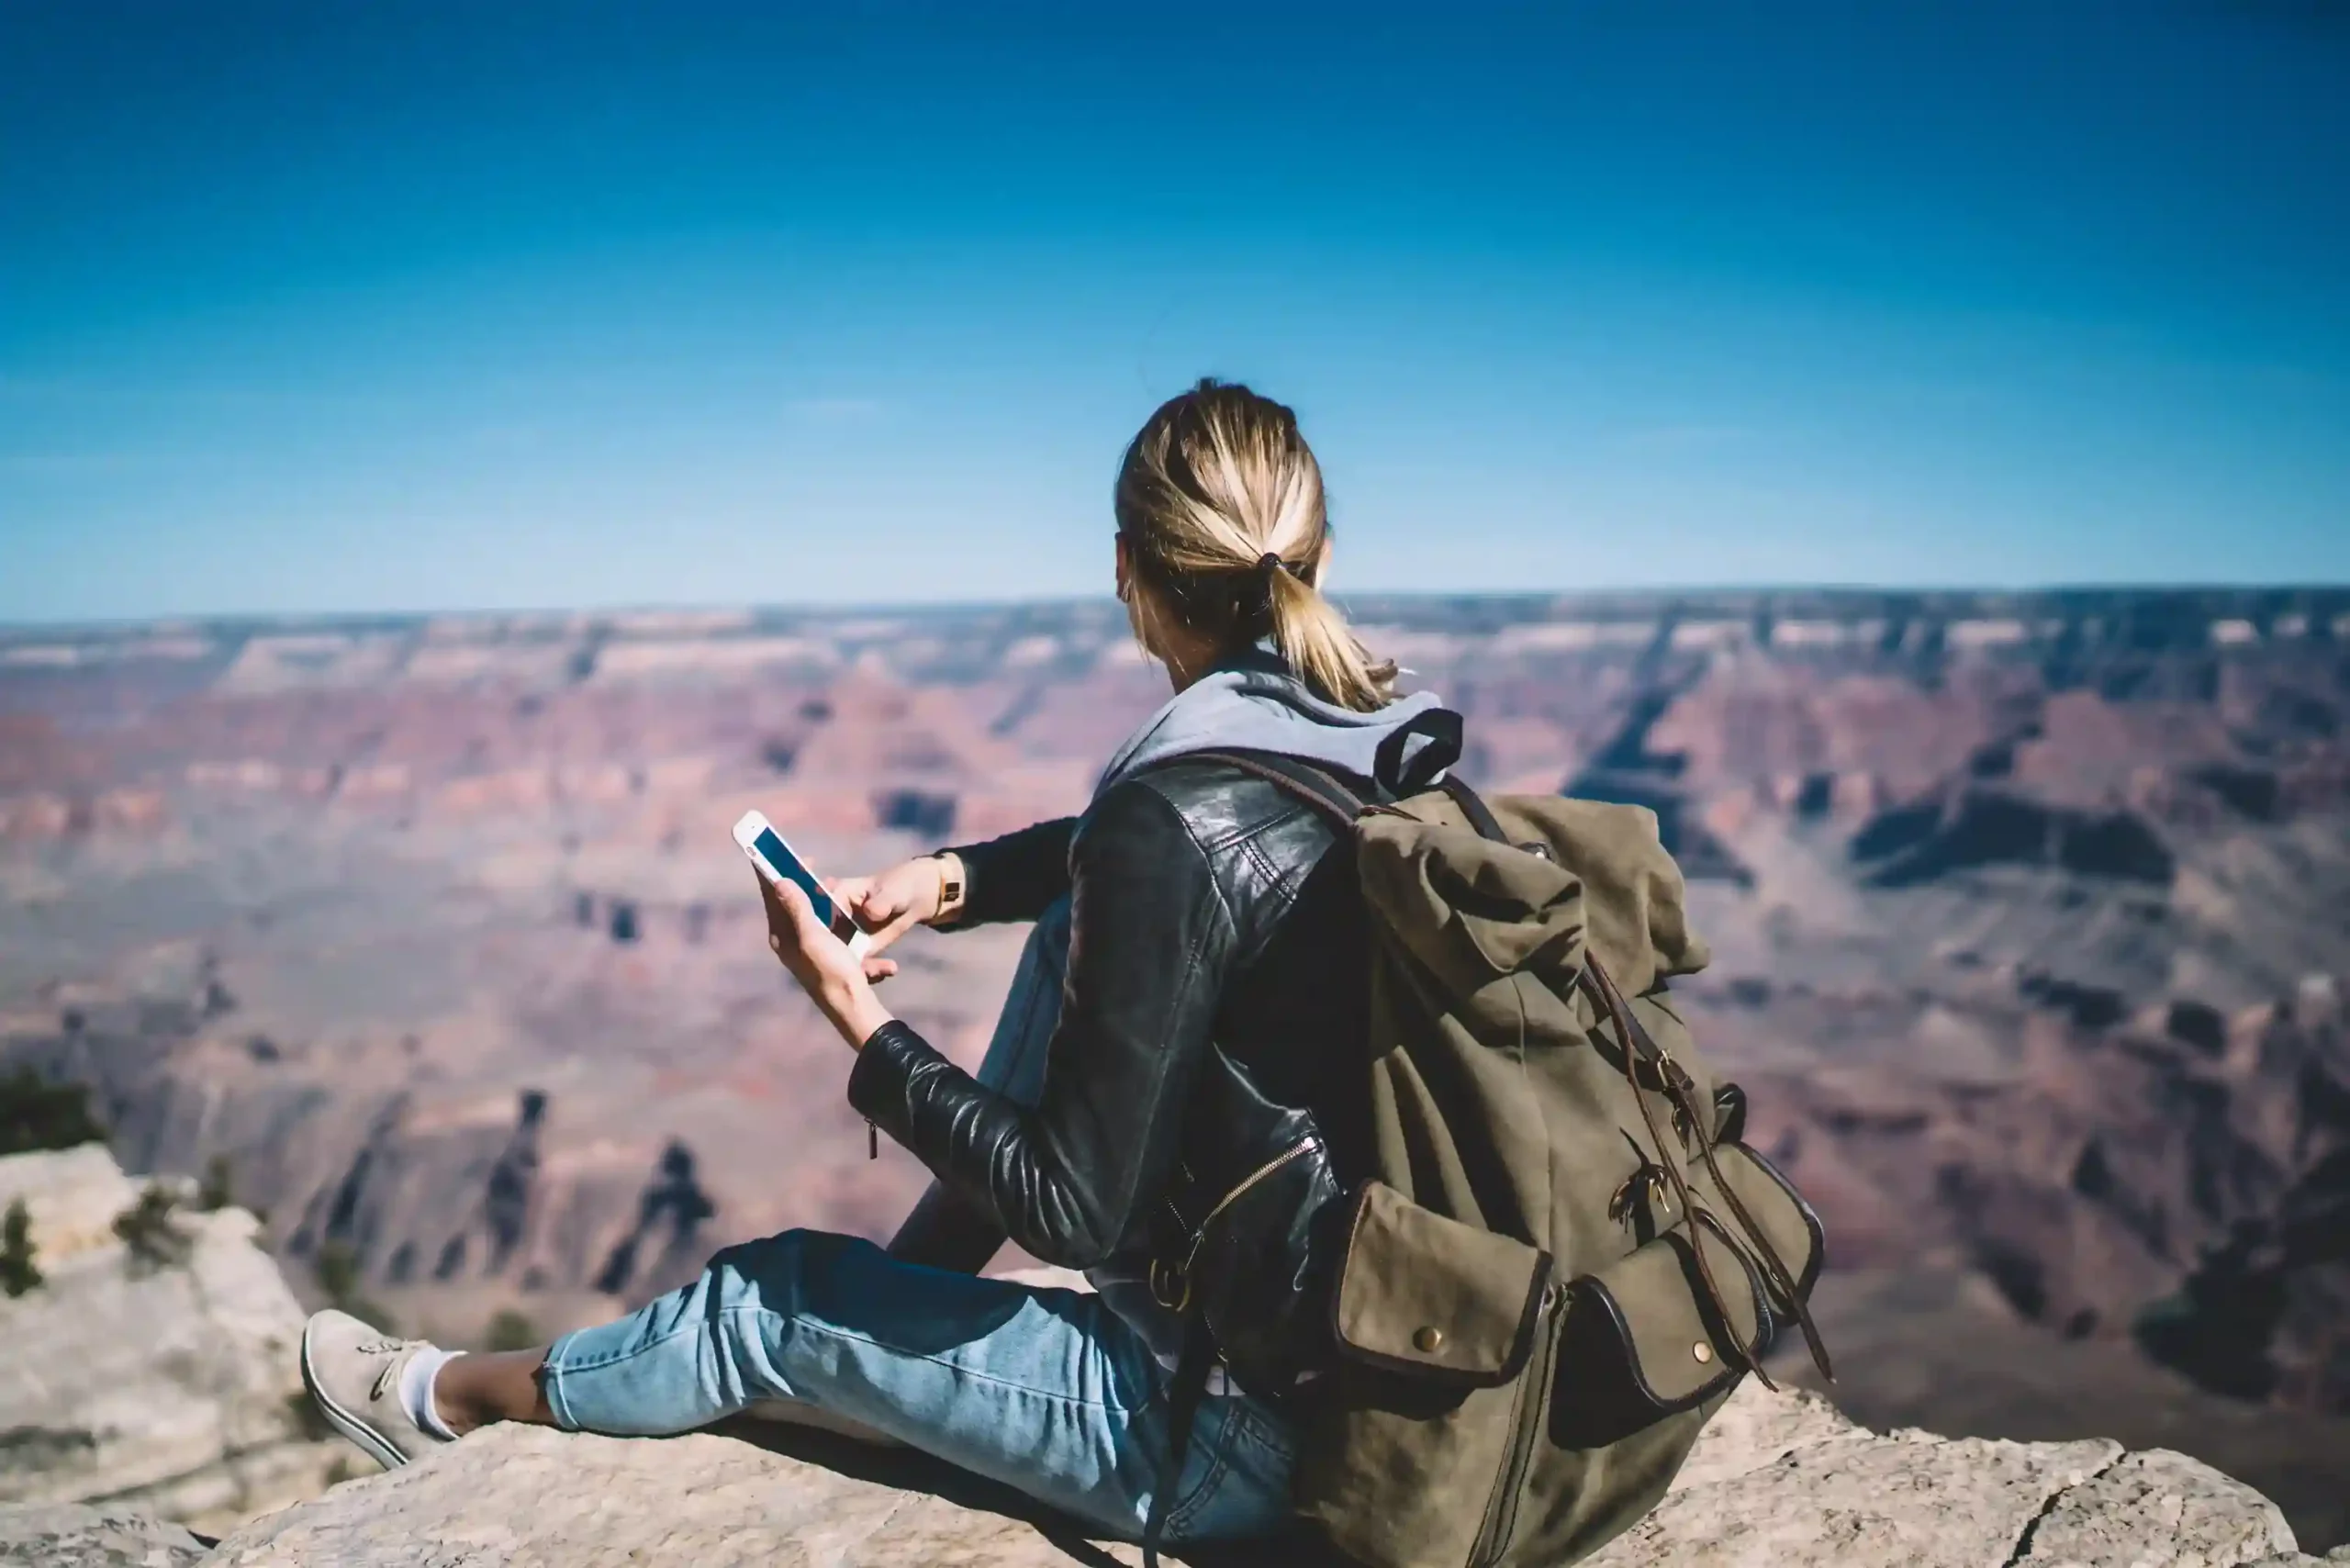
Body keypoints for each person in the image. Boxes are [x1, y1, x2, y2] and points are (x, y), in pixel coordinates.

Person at [297, 378, 1453, 1549]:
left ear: (1125, 569)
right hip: (1408, 1338)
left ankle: (440, 1399)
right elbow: (1164, 861)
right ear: (1315, 551)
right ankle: (904, 1311)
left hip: (1252, 1435)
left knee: (769, 1298)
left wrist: (858, 1018)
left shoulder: (1175, 816)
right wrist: (951, 880)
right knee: (1069, 933)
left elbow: (1071, 1206)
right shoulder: (1381, 738)